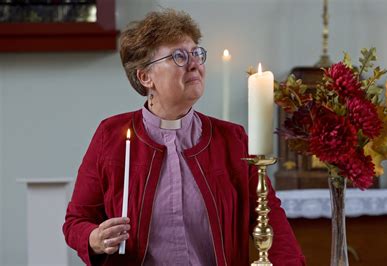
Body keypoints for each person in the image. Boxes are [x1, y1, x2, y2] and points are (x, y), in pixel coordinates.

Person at [63, 8, 305, 266]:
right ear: (145, 77)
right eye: (178, 56)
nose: (194, 63)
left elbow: (272, 222)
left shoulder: (232, 140)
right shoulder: (110, 136)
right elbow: (76, 222)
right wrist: (95, 238)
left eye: (196, 53)